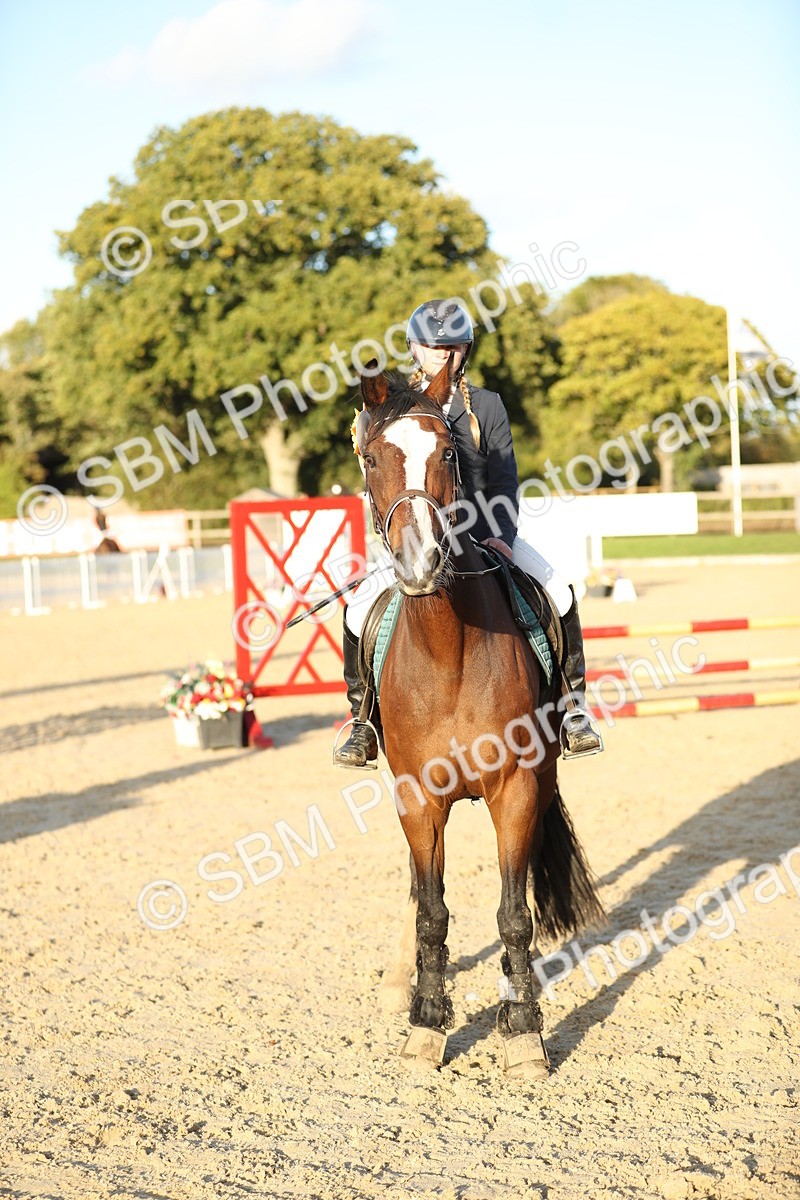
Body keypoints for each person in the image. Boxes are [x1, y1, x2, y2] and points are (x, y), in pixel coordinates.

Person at [334, 298, 603, 768]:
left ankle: (573, 708)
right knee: (358, 609)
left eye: (454, 347)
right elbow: (380, 482)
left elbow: (503, 479)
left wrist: (501, 533)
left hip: (484, 534)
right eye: (434, 347)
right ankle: (361, 721)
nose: (444, 355)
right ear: (414, 349)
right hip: (415, 541)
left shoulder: (490, 406)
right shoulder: (389, 407)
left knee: (559, 591)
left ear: (467, 350)